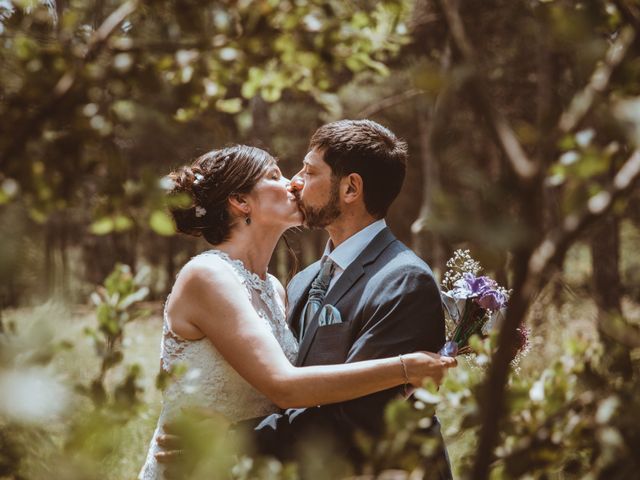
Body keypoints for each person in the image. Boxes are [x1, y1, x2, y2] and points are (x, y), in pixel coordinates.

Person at [138, 143, 455, 480]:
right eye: (275, 176)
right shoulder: (207, 276)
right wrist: (405, 367)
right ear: (241, 201)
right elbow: (285, 387)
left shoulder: (277, 288)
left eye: (303, 172)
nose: (294, 183)